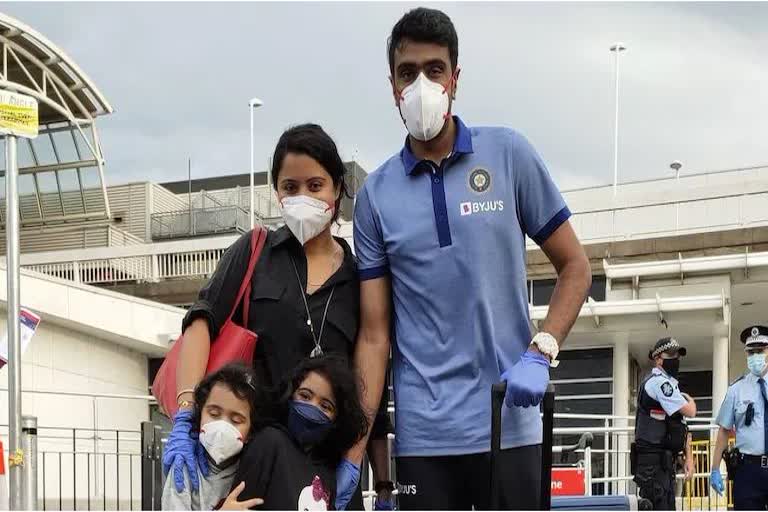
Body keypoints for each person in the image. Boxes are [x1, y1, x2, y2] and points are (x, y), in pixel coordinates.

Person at [345, 7, 592, 510]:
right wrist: (355, 452)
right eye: (407, 72)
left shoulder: (508, 154)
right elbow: (374, 336)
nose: (421, 85)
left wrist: (541, 351)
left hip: (511, 423)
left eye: (434, 70)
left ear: (455, 78)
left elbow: (576, 267)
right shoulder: (375, 195)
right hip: (423, 440)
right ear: (392, 86)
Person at [163, 124, 392, 509]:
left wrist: (379, 481)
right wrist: (186, 414)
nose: (302, 197)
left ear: (337, 188)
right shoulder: (255, 252)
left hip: (328, 471)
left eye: (315, 185)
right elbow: (201, 321)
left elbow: (370, 381)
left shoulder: (359, 278)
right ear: (277, 192)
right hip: (256, 458)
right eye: (290, 187)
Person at [233, 354, 369, 510]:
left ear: (337, 420)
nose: (312, 408)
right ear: (290, 395)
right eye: (305, 396)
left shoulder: (328, 472)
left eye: (325, 406)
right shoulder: (269, 443)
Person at [161, 363, 268, 511]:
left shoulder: (253, 468)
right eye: (214, 414)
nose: (222, 427)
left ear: (250, 432)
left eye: (236, 420)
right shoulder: (185, 466)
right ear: (200, 415)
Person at [632, 337, 696, 511]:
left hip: (664, 465)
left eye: (678, 355)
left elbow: (679, 424)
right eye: (671, 355)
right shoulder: (659, 384)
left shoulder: (669, 385)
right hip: (652, 467)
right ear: (658, 358)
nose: (676, 360)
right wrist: (691, 402)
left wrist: (687, 457)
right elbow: (690, 411)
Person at [710, 325, 768, 510]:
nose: (755, 356)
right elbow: (724, 430)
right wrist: (715, 469)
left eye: (760, 351)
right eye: (751, 352)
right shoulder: (736, 390)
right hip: (748, 470)